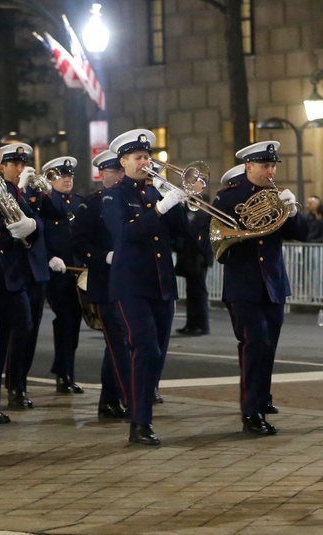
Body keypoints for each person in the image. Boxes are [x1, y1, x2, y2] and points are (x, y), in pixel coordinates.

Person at [212, 142, 307, 436]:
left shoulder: (277, 196)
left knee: (269, 347)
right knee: (256, 344)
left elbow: (302, 234)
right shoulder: (228, 198)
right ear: (248, 166)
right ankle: (251, 413)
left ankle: (261, 398)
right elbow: (211, 237)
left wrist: (292, 211)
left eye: (273, 166)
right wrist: (241, 232)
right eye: (265, 166)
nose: (271, 171)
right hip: (243, 284)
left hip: (274, 283)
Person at [102, 129, 188, 445]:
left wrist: (179, 200)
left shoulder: (153, 193)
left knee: (157, 353)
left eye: (147, 156)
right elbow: (125, 233)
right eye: (138, 157)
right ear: (123, 161)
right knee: (145, 347)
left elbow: (183, 234)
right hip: (131, 284)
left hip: (161, 283)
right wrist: (162, 209)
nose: (145, 161)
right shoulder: (115, 194)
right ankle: (139, 422)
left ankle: (142, 412)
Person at [0, 142, 48, 413]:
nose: (20, 169)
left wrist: (32, 225)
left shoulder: (13, 191)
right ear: (0, 167)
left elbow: (36, 219)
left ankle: (2, 397)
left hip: (13, 276)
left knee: (19, 331)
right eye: (14, 164)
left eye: (21, 164)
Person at [72, 150, 129, 419]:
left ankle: (112, 398)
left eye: (121, 171)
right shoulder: (92, 204)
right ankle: (120, 398)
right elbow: (80, 244)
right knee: (118, 342)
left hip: (134, 283)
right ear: (102, 175)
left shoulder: (134, 200)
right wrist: (104, 257)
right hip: (105, 283)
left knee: (127, 342)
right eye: (112, 172)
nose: (118, 176)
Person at [33, 156, 86, 394]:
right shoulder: (43, 202)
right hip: (56, 273)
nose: (67, 179)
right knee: (65, 321)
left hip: (77, 270)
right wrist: (47, 259)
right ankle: (63, 374)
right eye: (62, 176)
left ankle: (66, 372)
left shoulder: (78, 202)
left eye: (70, 175)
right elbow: (36, 235)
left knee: (73, 323)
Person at [174, 210, 212, 336]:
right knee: (192, 292)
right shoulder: (197, 216)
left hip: (197, 259)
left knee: (198, 293)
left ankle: (201, 325)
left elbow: (200, 238)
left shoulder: (201, 216)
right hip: (194, 259)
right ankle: (192, 324)